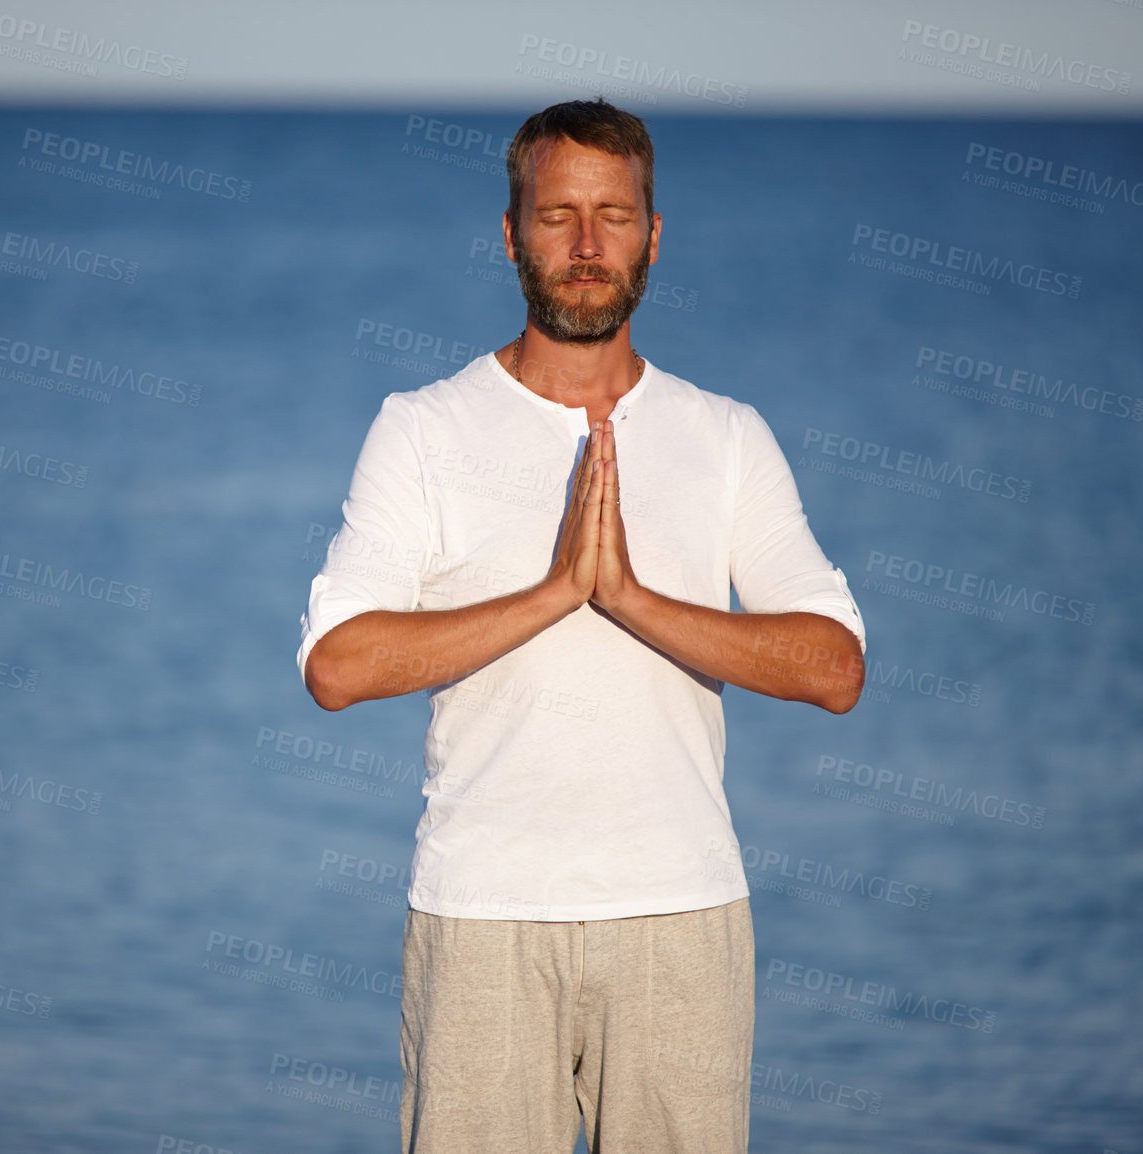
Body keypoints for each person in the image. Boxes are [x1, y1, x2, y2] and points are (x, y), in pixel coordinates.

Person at [296, 98, 866, 1154]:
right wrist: (554, 592)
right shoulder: (420, 428)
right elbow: (337, 666)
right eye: (557, 215)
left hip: (683, 919)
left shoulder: (725, 436)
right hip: (481, 918)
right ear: (511, 234)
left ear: (656, 233)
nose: (589, 245)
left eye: (615, 213)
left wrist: (634, 600)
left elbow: (833, 667)